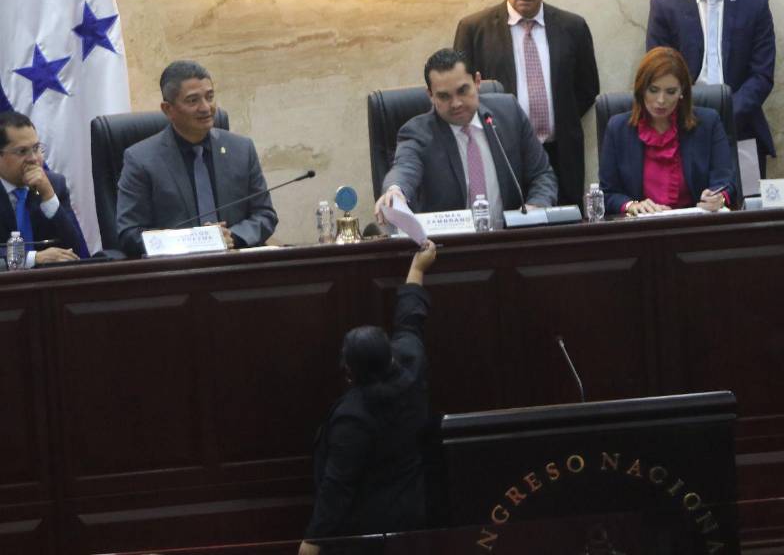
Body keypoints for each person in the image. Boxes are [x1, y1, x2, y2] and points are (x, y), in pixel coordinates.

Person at [299, 241, 437, 555]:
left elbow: (338, 487)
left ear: (350, 373)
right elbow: (410, 320)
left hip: (369, 534)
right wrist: (417, 268)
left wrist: (312, 542)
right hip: (413, 514)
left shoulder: (354, 418)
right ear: (390, 355)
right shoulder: (411, 367)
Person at [453, 0, 599, 207]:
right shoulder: (474, 29)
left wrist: (560, 117)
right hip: (502, 151)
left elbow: (587, 87)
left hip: (561, 153)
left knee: (564, 235)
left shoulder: (573, 26)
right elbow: (464, 92)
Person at [374, 49, 557, 229]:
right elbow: (405, 168)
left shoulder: (509, 113)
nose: (456, 103)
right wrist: (395, 190)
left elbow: (541, 175)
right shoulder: (417, 133)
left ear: (477, 81)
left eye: (462, 91)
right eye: (444, 96)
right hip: (450, 251)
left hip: (510, 244)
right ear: (430, 95)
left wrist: (536, 208)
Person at [116, 60, 278, 257]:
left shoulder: (242, 149)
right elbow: (129, 233)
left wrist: (232, 237)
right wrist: (194, 242)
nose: (206, 108)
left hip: (236, 266)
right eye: (193, 100)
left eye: (210, 97)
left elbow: (265, 215)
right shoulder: (141, 159)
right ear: (168, 109)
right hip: (175, 274)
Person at [646, 0, 775, 178]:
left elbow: (762, 75)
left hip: (742, 130)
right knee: (694, 209)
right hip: (685, 131)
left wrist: (726, 115)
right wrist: (692, 116)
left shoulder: (755, 3)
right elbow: (658, 75)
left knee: (750, 207)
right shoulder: (664, 7)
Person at [599, 47, 737, 216]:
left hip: (695, 227)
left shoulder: (708, 123)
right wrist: (631, 205)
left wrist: (718, 198)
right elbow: (608, 193)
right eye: (653, 90)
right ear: (641, 89)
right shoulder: (617, 129)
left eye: (671, 92)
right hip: (640, 231)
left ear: (682, 92)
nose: (661, 100)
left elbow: (726, 182)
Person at [0, 111, 86, 267]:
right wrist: (33, 259)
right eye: (22, 151)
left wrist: (48, 196)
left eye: (36, 148)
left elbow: (77, 250)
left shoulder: (53, 185)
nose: (33, 158)